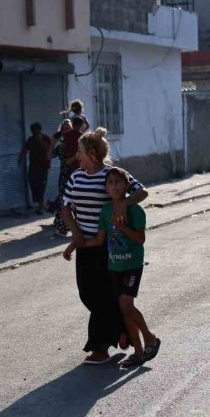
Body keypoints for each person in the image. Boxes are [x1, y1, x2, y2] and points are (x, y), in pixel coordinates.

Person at [60, 127, 148, 365]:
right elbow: (65, 207)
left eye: (80, 151)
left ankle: (100, 347)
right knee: (87, 293)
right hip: (86, 244)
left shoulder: (112, 175)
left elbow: (141, 192)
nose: (77, 156)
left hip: (109, 246)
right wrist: (75, 232)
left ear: (91, 153)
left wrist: (123, 204)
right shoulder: (76, 176)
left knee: (103, 295)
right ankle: (121, 328)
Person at [52, 117, 84, 238]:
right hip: (69, 177)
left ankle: (64, 228)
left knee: (67, 203)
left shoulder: (78, 140)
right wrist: (52, 141)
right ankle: (64, 228)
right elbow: (50, 156)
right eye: (64, 129)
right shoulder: (64, 145)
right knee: (67, 203)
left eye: (68, 128)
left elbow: (70, 160)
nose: (67, 132)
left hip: (75, 175)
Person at [18, 122, 53, 214]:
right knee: (33, 183)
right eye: (33, 131)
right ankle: (41, 203)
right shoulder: (30, 139)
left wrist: (40, 141)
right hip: (33, 166)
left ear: (40, 130)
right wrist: (20, 160)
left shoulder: (45, 138)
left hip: (43, 166)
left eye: (37, 130)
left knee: (41, 185)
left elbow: (48, 149)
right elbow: (25, 149)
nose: (35, 133)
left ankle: (41, 206)